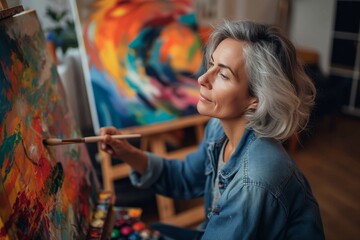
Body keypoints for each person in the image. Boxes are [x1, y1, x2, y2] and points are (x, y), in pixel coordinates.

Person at [100, 20, 325, 239]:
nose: (202, 79)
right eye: (211, 64)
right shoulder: (219, 129)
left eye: (224, 75)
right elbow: (184, 178)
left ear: (255, 98)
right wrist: (126, 152)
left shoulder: (256, 179)